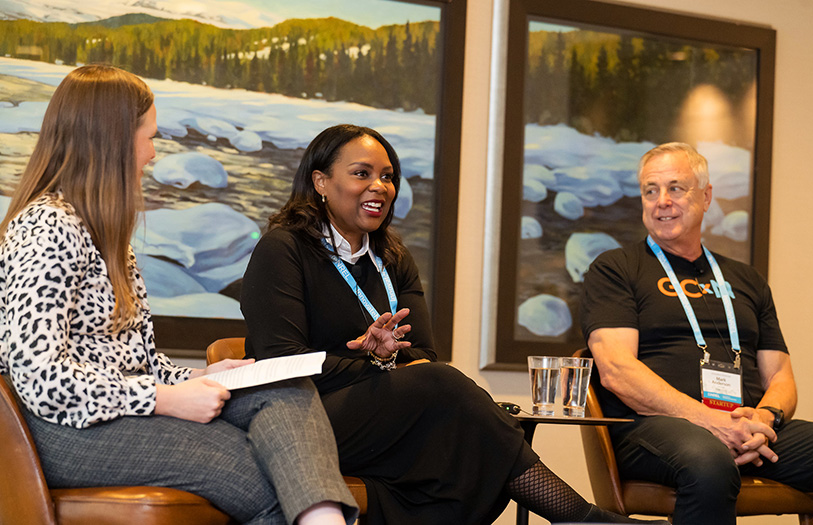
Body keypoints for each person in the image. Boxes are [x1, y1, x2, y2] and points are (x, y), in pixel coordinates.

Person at [241, 124, 669, 525]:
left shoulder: (392, 256)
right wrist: (374, 362)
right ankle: (580, 517)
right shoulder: (284, 249)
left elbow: (423, 354)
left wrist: (386, 357)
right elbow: (282, 363)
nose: (380, 187)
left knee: (465, 434)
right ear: (320, 182)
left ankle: (582, 519)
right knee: (450, 395)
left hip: (386, 418)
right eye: (361, 173)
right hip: (301, 417)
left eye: (388, 176)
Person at [0, 64, 359, 525]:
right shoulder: (47, 227)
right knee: (260, 475)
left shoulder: (106, 232)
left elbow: (133, 362)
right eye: (147, 137)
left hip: (113, 410)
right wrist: (164, 398)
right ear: (110, 140)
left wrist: (197, 375)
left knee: (283, 387)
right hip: (57, 429)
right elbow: (41, 379)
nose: (152, 153)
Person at [580, 142, 813, 524]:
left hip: (745, 427)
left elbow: (780, 375)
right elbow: (616, 370)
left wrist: (763, 419)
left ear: (707, 196)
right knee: (708, 458)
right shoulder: (616, 269)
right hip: (651, 430)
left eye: (675, 188)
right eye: (650, 190)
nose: (661, 201)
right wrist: (709, 420)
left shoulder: (746, 279)